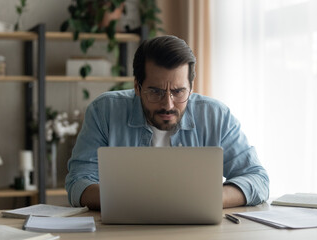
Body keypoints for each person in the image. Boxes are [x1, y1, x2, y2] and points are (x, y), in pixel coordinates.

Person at [65, 35, 269, 210]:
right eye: (156, 91)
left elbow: (257, 179)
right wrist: (135, 202)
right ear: (137, 86)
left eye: (179, 91)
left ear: (191, 86)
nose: (168, 104)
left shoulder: (216, 116)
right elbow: (78, 183)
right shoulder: (104, 111)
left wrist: (209, 199)